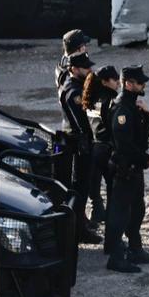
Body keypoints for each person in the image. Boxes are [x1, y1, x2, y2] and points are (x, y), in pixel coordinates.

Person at [104, 65, 149, 273]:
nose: (143, 85)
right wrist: (143, 157)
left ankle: (135, 249)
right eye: (139, 82)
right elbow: (123, 143)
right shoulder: (122, 109)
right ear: (128, 84)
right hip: (125, 167)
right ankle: (117, 257)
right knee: (121, 213)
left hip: (135, 167)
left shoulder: (134, 105)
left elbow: (144, 131)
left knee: (137, 210)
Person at [58, 52, 102, 244]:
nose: (89, 70)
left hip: (79, 143)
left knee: (82, 187)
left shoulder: (77, 84)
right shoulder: (73, 91)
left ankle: (79, 226)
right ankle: (78, 230)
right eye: (85, 68)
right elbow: (84, 121)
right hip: (78, 146)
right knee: (80, 188)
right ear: (74, 69)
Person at [81, 64, 121, 226]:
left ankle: (98, 213)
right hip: (108, 149)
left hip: (96, 148)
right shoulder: (111, 101)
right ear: (105, 82)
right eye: (114, 79)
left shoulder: (91, 99)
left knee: (95, 187)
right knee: (114, 193)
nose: (118, 82)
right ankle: (113, 235)